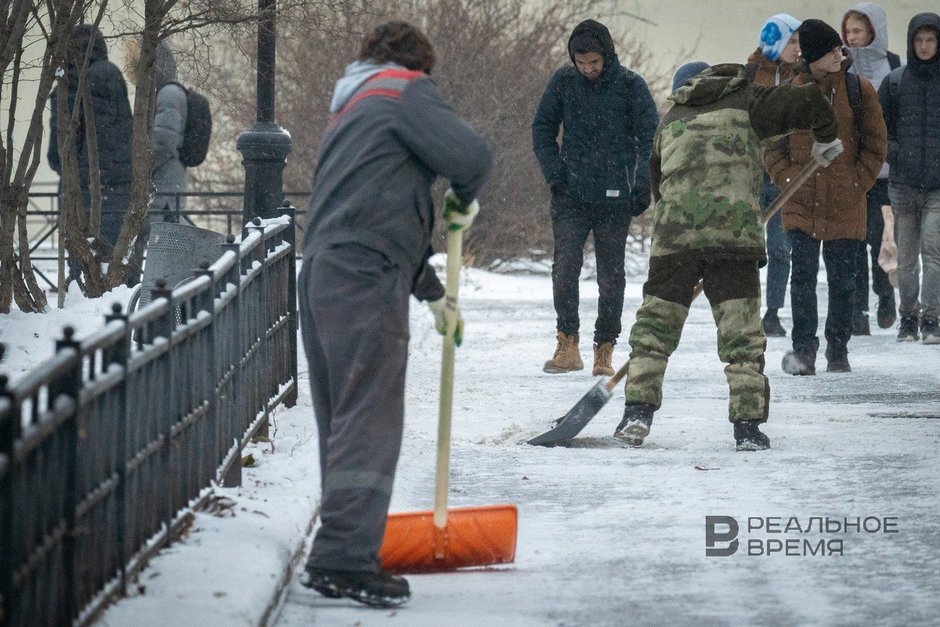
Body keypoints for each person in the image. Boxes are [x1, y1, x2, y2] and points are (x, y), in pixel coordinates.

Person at [297, 21, 492, 607]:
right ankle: (342, 560)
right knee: (368, 418)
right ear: (420, 66)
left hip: (325, 273)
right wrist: (461, 197)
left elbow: (370, 211)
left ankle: (343, 548)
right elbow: (472, 155)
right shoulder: (403, 89)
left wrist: (430, 290)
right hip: (364, 277)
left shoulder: (352, 104)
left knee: (344, 418)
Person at [614, 61, 840, 452]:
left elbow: (659, 188)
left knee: (654, 329)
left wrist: (689, 227)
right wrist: (825, 136)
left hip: (675, 237)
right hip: (733, 238)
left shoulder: (668, 122)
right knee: (741, 335)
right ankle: (747, 426)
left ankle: (636, 413)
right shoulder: (749, 101)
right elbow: (812, 101)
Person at [532, 19, 658, 377]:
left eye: (594, 63)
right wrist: (554, 173)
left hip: (615, 195)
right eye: (581, 62)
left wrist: (642, 183)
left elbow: (650, 136)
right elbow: (542, 128)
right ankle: (567, 342)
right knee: (564, 268)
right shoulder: (564, 82)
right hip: (570, 192)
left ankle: (605, 347)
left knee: (610, 275)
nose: (587, 69)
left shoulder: (630, 86)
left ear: (607, 56)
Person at [764, 19, 887, 375]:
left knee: (842, 280)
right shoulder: (789, 92)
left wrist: (856, 181)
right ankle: (804, 351)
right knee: (801, 278)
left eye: (839, 49)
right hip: (800, 201)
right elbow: (772, 144)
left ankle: (838, 349)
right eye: (833, 50)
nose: (840, 54)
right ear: (815, 56)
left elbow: (876, 144)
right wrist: (786, 177)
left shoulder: (858, 90)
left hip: (846, 202)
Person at [47, 24, 134, 281]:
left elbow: (63, 149)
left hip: (86, 189)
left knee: (85, 269)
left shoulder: (74, 81)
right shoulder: (107, 74)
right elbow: (108, 138)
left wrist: (73, 170)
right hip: (113, 187)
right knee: (112, 266)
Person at [878, 13, 940, 344]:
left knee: (933, 253)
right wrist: (895, 153)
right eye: (919, 40)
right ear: (911, 42)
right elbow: (880, 127)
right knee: (906, 258)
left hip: (937, 186)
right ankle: (908, 318)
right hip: (903, 183)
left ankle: (931, 319)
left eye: (930, 40)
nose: (924, 46)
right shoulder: (896, 82)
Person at [842, 3, 902, 333]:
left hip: (885, 173)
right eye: (848, 31)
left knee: (881, 241)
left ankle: (885, 296)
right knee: (853, 242)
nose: (851, 36)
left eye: (858, 30)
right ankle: (859, 312)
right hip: (852, 171)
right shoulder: (841, 67)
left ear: (873, 32)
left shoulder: (894, 66)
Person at [746, 13, 802, 337]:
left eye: (798, 42)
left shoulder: (802, 78)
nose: (797, 48)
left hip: (785, 173)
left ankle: (773, 311)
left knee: (781, 248)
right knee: (751, 248)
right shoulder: (751, 72)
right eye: (791, 41)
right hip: (753, 174)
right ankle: (748, 309)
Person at [124, 39, 190, 285]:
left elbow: (163, 141)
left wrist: (139, 166)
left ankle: (160, 286)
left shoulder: (168, 94)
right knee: (152, 236)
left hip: (164, 181)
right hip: (166, 179)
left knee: (160, 237)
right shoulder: (164, 92)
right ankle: (149, 285)